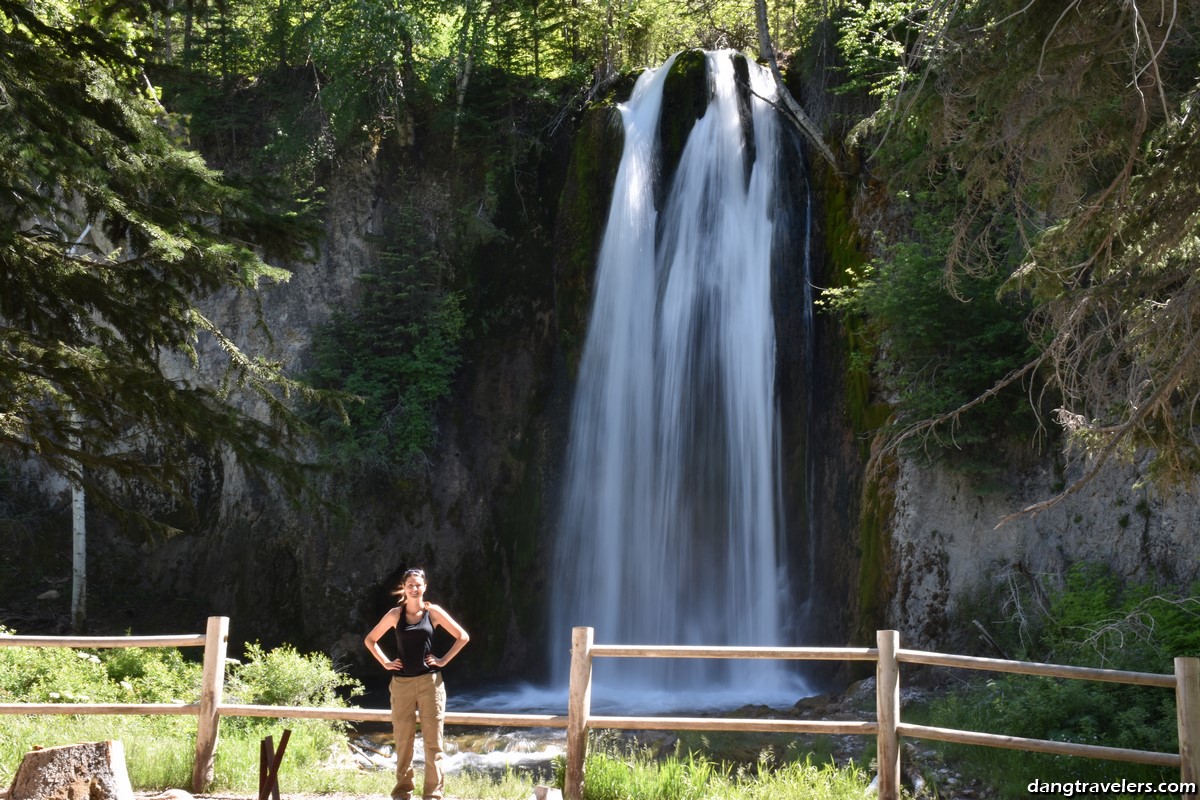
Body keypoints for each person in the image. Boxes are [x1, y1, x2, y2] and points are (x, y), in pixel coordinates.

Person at [364, 567, 470, 800]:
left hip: (430, 683)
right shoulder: (395, 614)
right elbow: (370, 640)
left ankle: (433, 795)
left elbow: (462, 636)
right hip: (401, 684)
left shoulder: (433, 612)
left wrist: (442, 660)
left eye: (418, 584)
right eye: (410, 584)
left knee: (434, 743)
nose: (414, 588)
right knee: (403, 740)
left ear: (425, 587)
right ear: (404, 587)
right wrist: (385, 662)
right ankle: (402, 792)